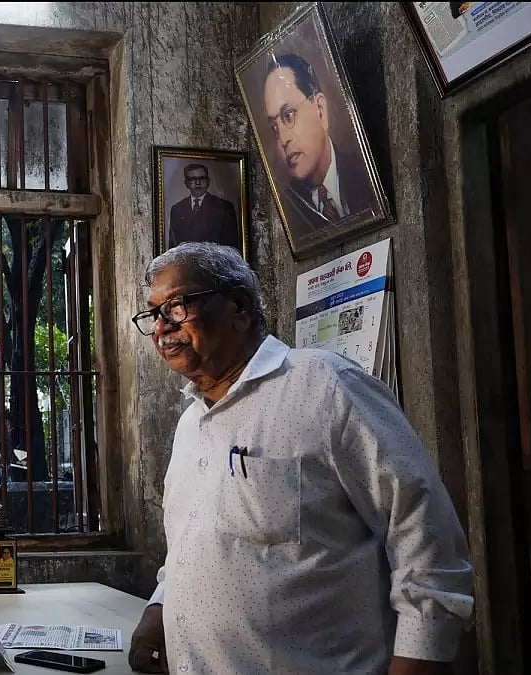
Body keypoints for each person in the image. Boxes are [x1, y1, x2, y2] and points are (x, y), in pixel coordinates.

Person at [127, 242, 473, 674]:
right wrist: (161, 609)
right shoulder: (190, 424)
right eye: (153, 314)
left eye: (177, 306)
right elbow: (194, 544)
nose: (161, 327)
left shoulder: (327, 387)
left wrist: (419, 663)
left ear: (238, 308)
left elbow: (427, 542)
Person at [262, 53, 374, 235]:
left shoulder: (366, 173)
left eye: (288, 115)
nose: (282, 139)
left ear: (320, 110)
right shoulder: (289, 214)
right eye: (274, 127)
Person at [166, 163, 240, 250]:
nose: (198, 183)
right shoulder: (177, 209)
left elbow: (232, 247)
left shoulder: (224, 207)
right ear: (186, 183)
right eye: (192, 179)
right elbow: (173, 248)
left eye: (202, 178)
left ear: (208, 181)